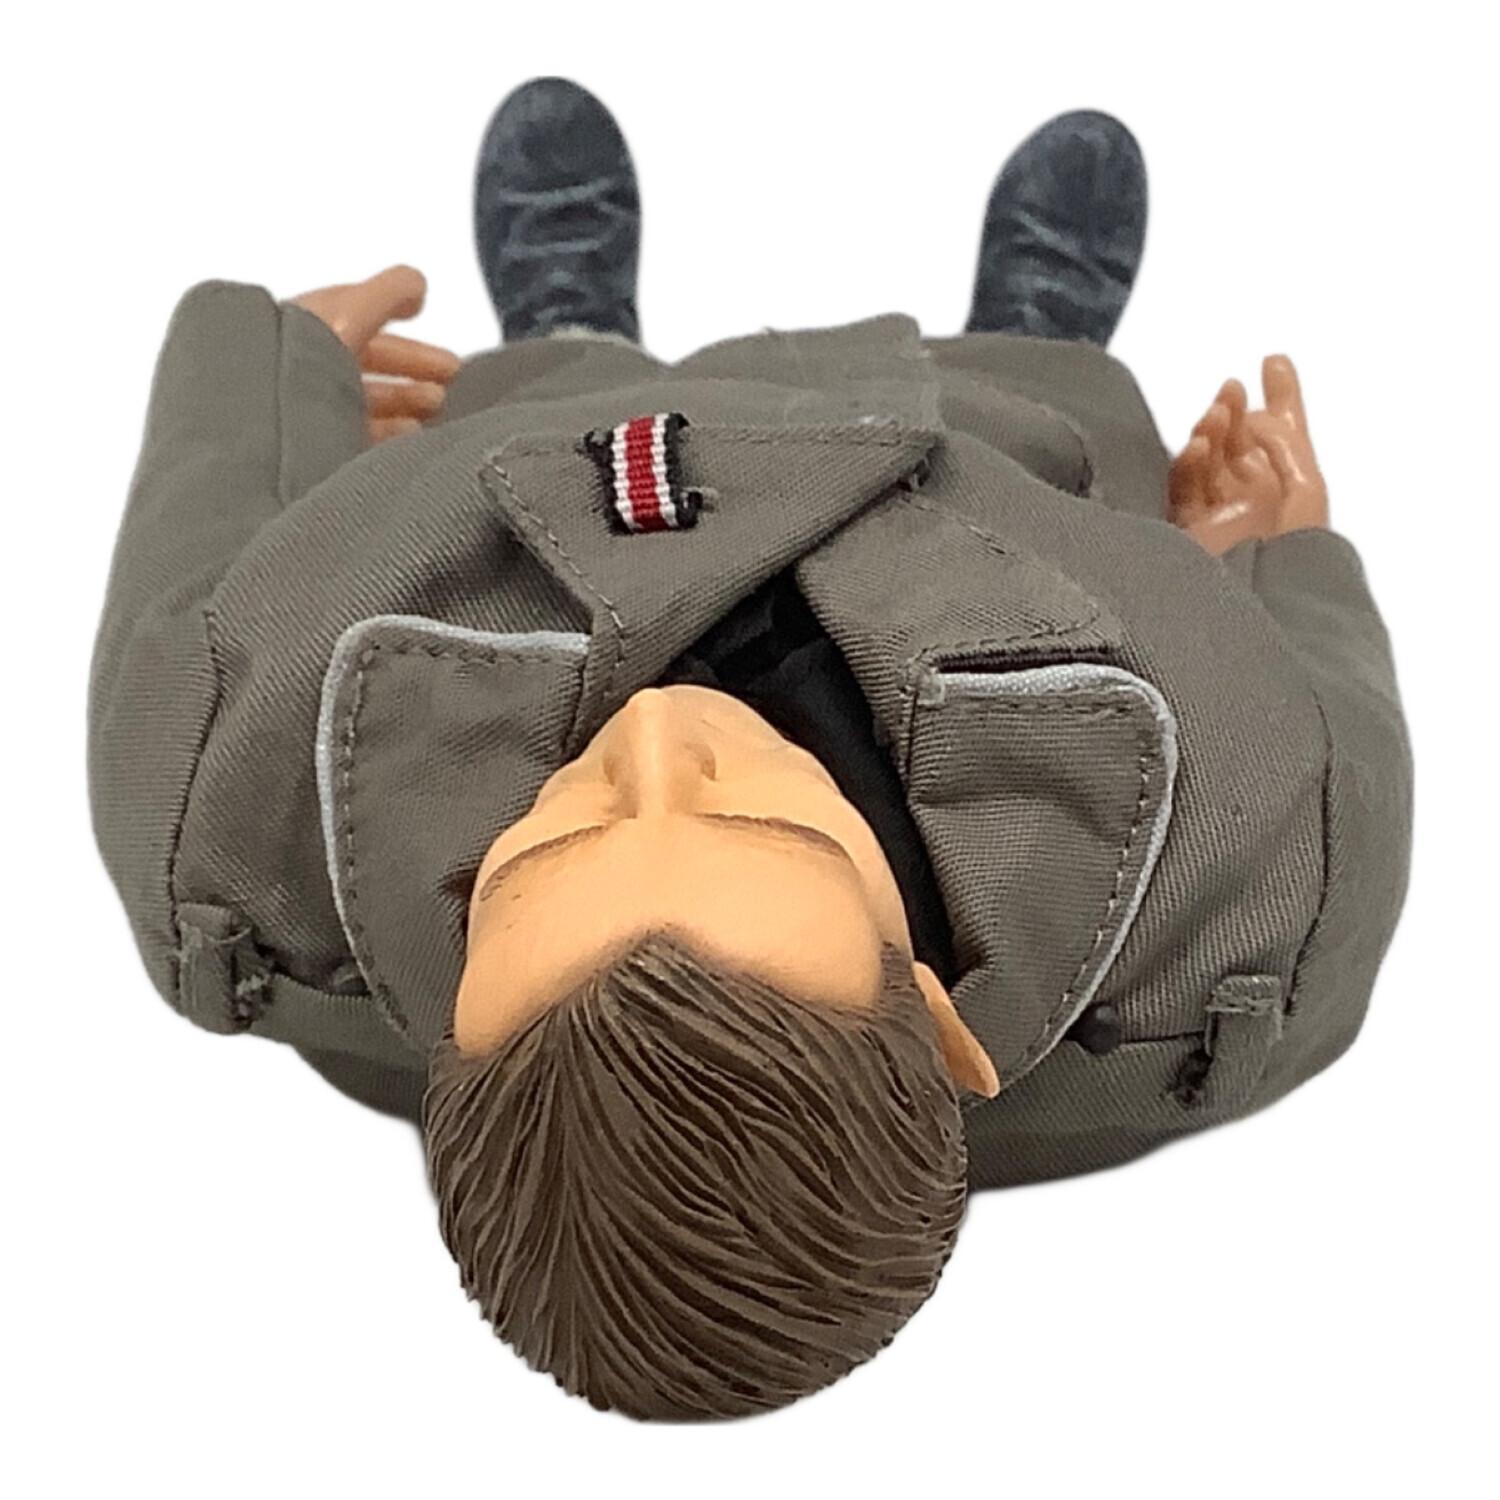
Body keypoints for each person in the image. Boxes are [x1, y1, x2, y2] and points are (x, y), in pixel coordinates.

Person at [88, 79, 1411, 1420]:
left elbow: (182, 575)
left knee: (556, 374)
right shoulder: (1258, 882)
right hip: (991, 470)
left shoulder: (221, 805)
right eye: (757, 825)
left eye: (538, 851)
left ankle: (563, 310)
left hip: (569, 454)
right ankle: (1038, 319)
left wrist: (276, 382)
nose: (656, 736)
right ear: (941, 1019)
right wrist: (1273, 550)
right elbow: (1336, 730)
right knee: (1037, 394)